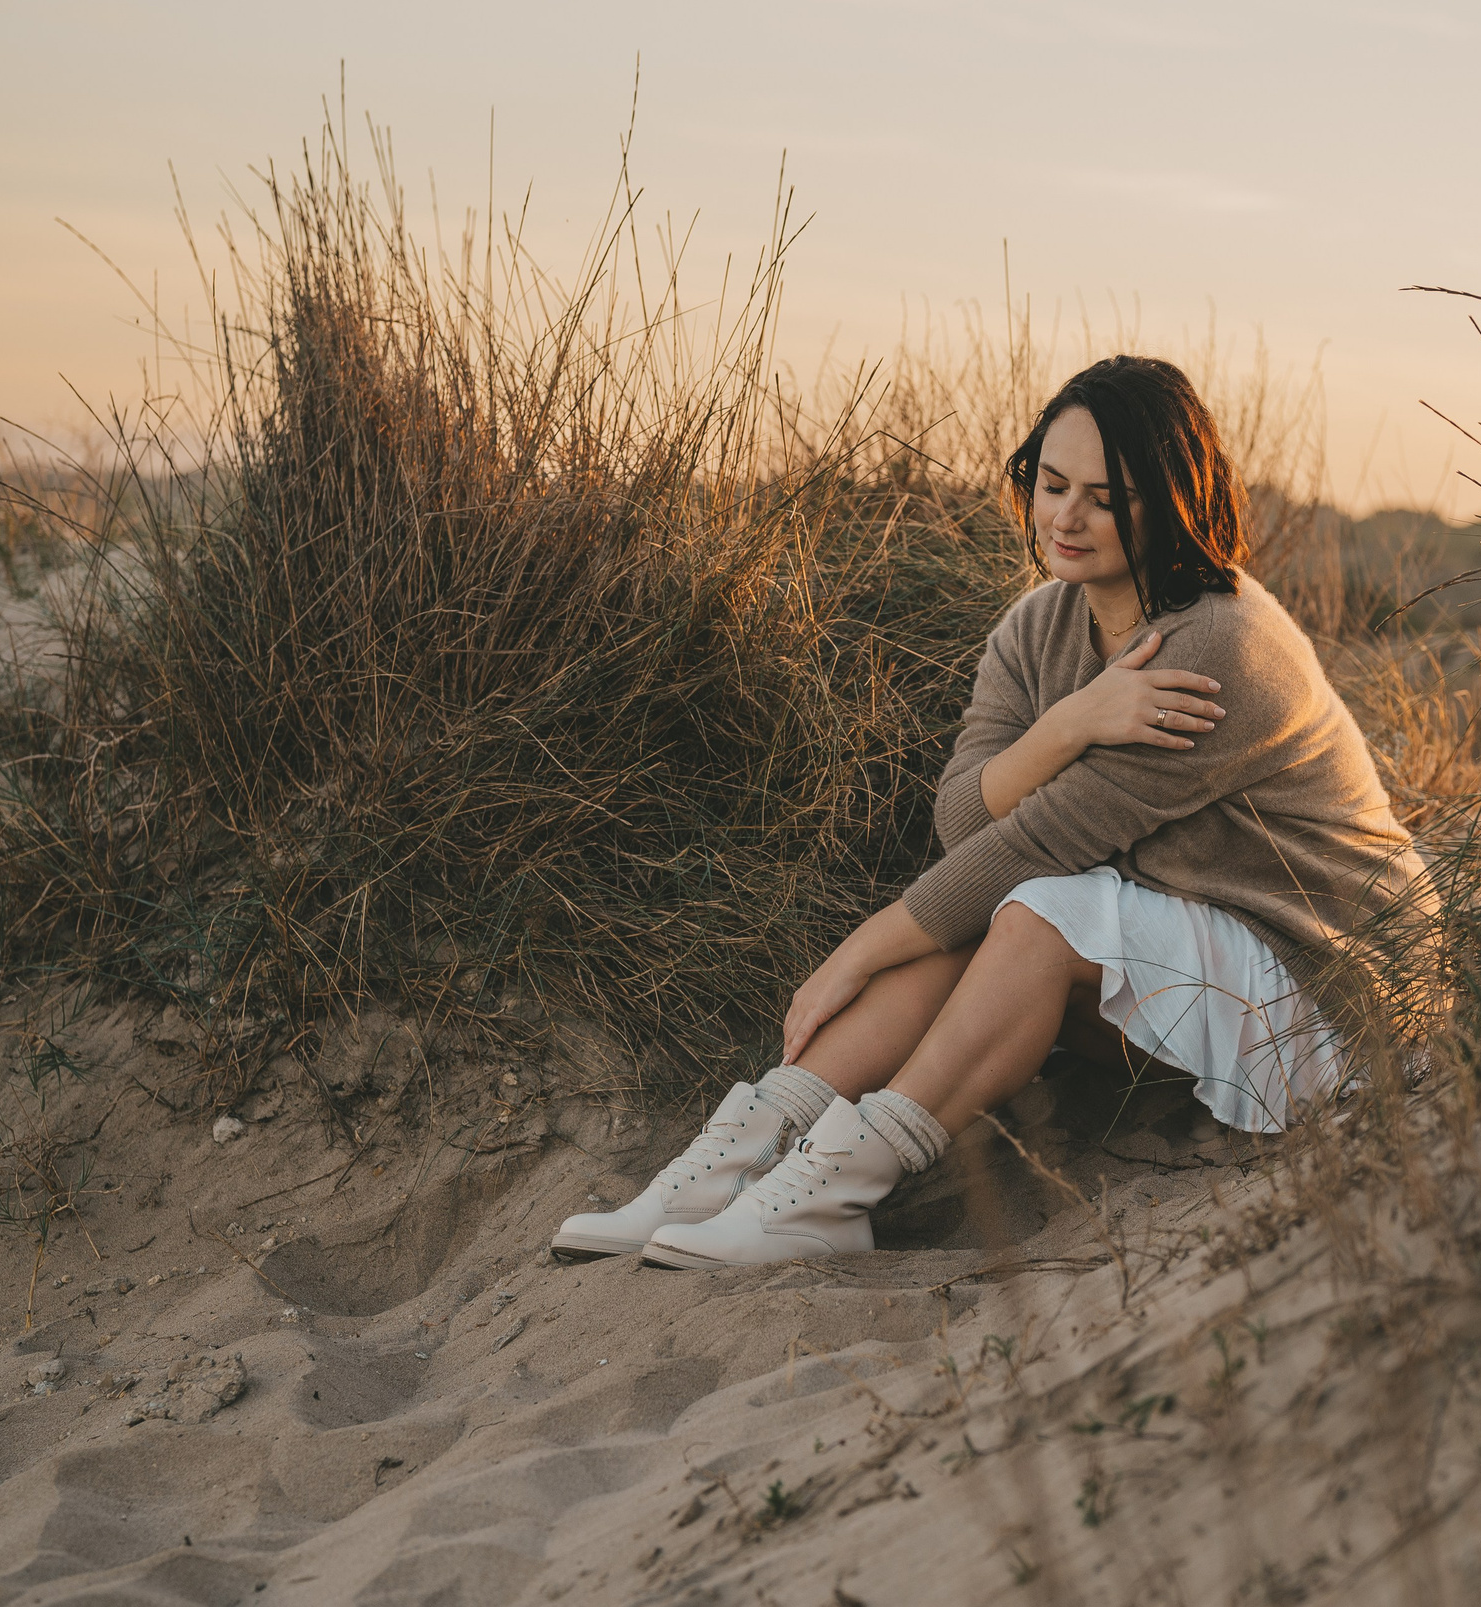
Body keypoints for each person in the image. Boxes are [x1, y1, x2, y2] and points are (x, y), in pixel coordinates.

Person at [552, 354, 1432, 1271]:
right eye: (1052, 484)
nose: (1066, 517)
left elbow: (1033, 848)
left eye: (1104, 496)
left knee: (1033, 912)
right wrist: (1065, 726)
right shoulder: (1039, 627)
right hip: (1189, 968)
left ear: (1170, 502)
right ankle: (728, 1165)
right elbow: (965, 826)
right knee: (988, 919)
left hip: (1329, 990)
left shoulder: (1215, 647)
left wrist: (852, 957)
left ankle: (831, 1197)